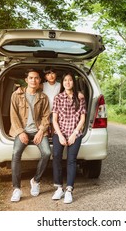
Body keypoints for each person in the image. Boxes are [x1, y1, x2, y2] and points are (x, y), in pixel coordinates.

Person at [9, 68, 51, 202]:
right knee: (16, 153)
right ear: (26, 80)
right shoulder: (16, 95)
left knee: (47, 153)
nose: (34, 80)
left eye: (37, 78)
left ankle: (36, 180)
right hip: (22, 130)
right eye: (31, 78)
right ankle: (16, 189)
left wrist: (40, 131)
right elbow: (13, 115)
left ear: (40, 81)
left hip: (38, 130)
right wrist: (21, 132)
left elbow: (46, 116)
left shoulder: (43, 97)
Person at [51, 71, 86, 204]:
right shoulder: (58, 98)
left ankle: (69, 190)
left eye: (70, 80)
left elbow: (82, 118)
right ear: (62, 82)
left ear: (73, 82)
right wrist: (60, 135)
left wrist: (74, 134)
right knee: (56, 156)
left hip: (75, 132)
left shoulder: (80, 97)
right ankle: (59, 188)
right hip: (60, 132)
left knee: (71, 160)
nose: (67, 82)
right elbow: (54, 119)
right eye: (65, 80)